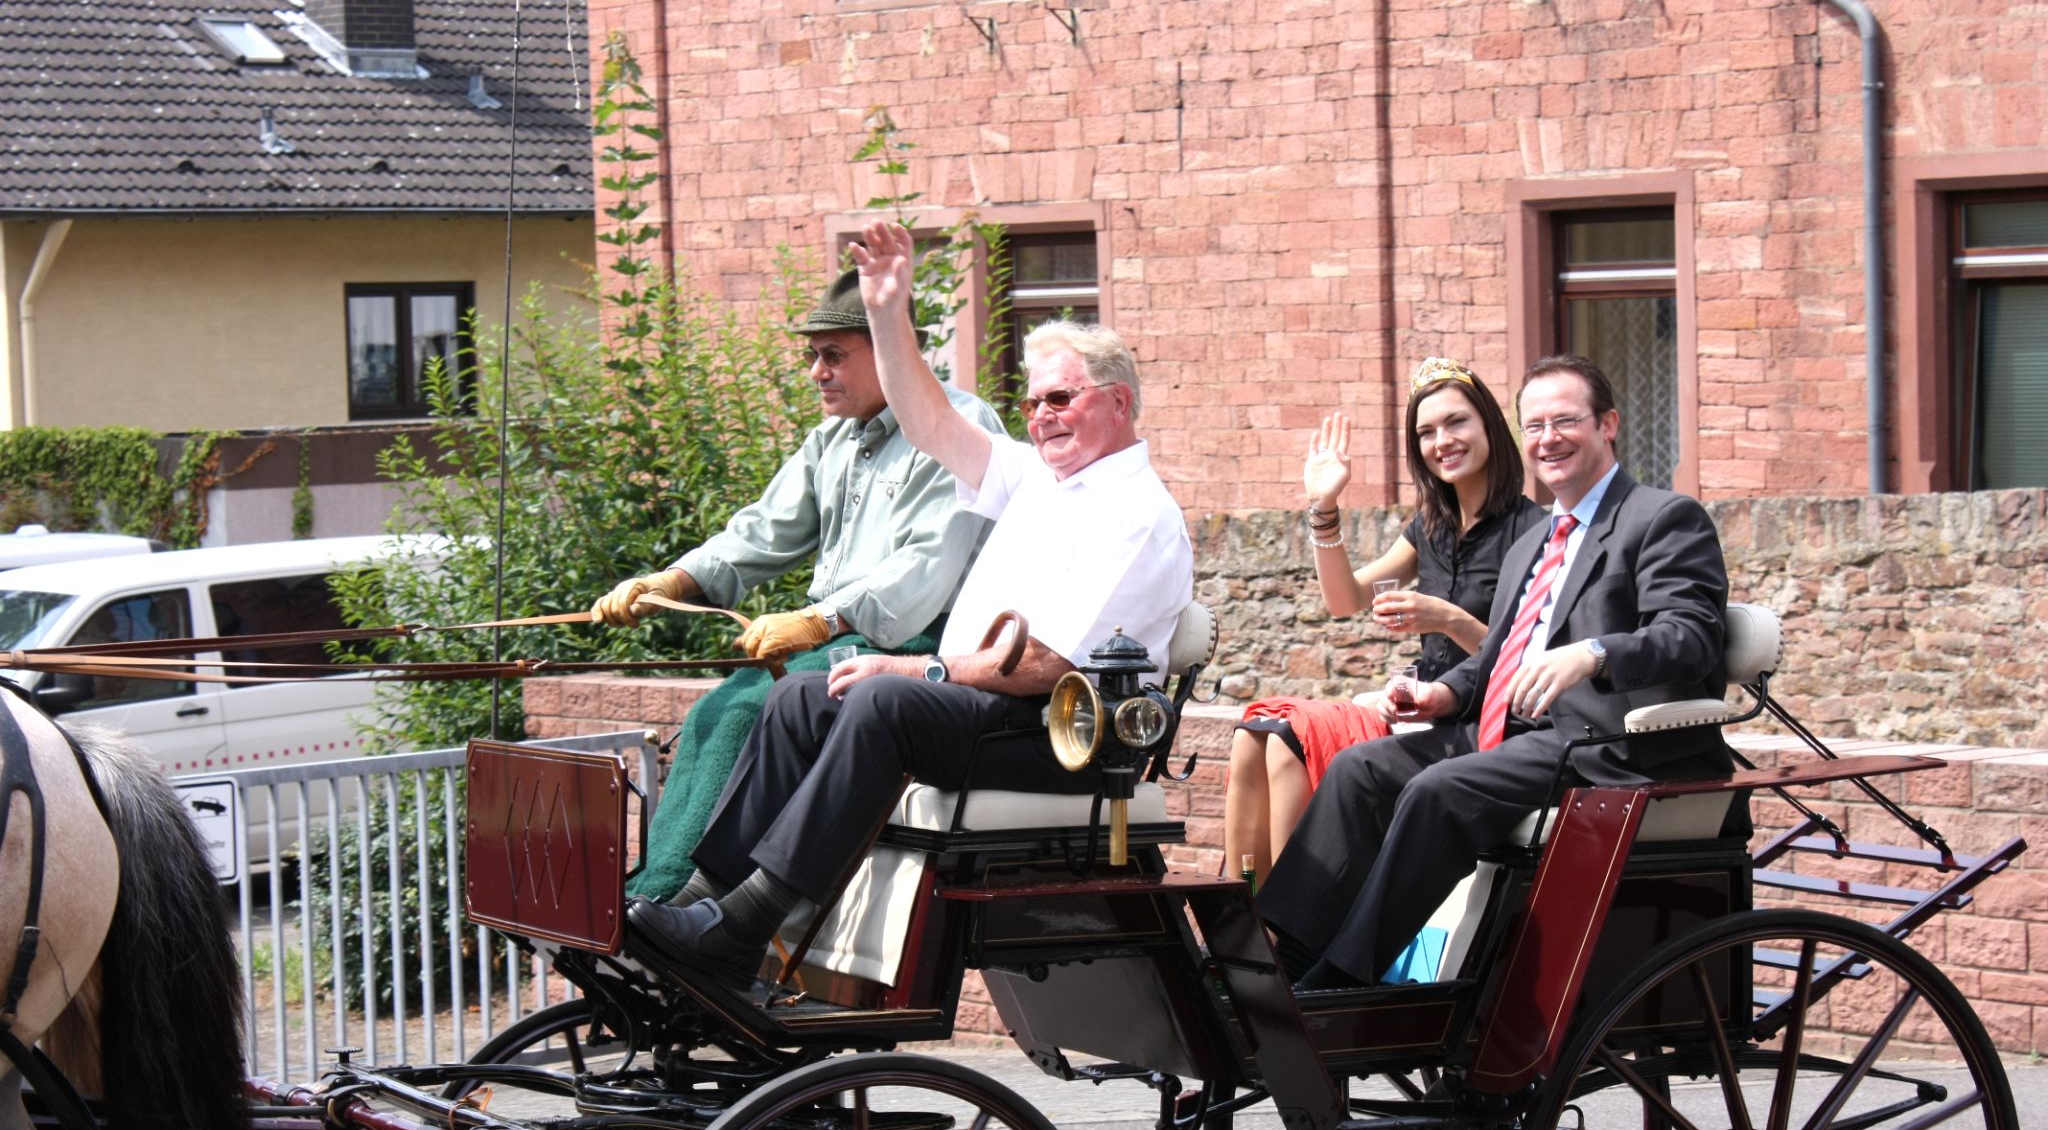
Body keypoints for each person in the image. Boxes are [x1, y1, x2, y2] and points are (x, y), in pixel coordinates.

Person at [625, 219, 1194, 986]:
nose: (1041, 415)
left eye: (1060, 398)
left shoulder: (1136, 512)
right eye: (1031, 403)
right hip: (998, 710)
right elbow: (928, 420)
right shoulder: (1043, 479)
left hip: (1066, 736)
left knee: (882, 704)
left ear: (1118, 402)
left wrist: (919, 669)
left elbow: (1047, 664)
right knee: (798, 696)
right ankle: (703, 895)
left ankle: (744, 926)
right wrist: (887, 312)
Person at [1260, 354, 1734, 991]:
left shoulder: (1661, 518)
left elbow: (1692, 636)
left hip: (1607, 744)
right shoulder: (1533, 546)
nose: (1549, 439)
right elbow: (1497, 655)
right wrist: (1440, 694)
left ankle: (1342, 982)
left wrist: (1592, 654)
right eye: (1535, 425)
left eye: (1565, 420)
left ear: (1609, 424)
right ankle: (1278, 961)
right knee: (1359, 770)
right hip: (1518, 736)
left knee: (1437, 790)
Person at [589, 267, 1001, 899]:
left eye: (833, 355)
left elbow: (923, 568)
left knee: (744, 713)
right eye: (813, 355)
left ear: (895, 352)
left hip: (915, 647)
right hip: (841, 639)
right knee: (710, 713)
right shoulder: (831, 439)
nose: (816, 372)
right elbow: (761, 531)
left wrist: (820, 620)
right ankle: (659, 891)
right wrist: (671, 580)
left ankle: (684, 903)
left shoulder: (958, 426)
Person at [1225, 359, 1545, 884]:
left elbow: (1522, 662)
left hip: (1478, 722)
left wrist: (1446, 618)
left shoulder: (1533, 532)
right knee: (1255, 733)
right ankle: (1244, 916)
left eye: (1456, 422)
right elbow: (1344, 597)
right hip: (1412, 703)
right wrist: (1323, 506)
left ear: (1489, 424)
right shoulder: (1431, 527)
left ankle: (1287, 926)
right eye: (1426, 431)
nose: (1443, 440)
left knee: (1288, 741)